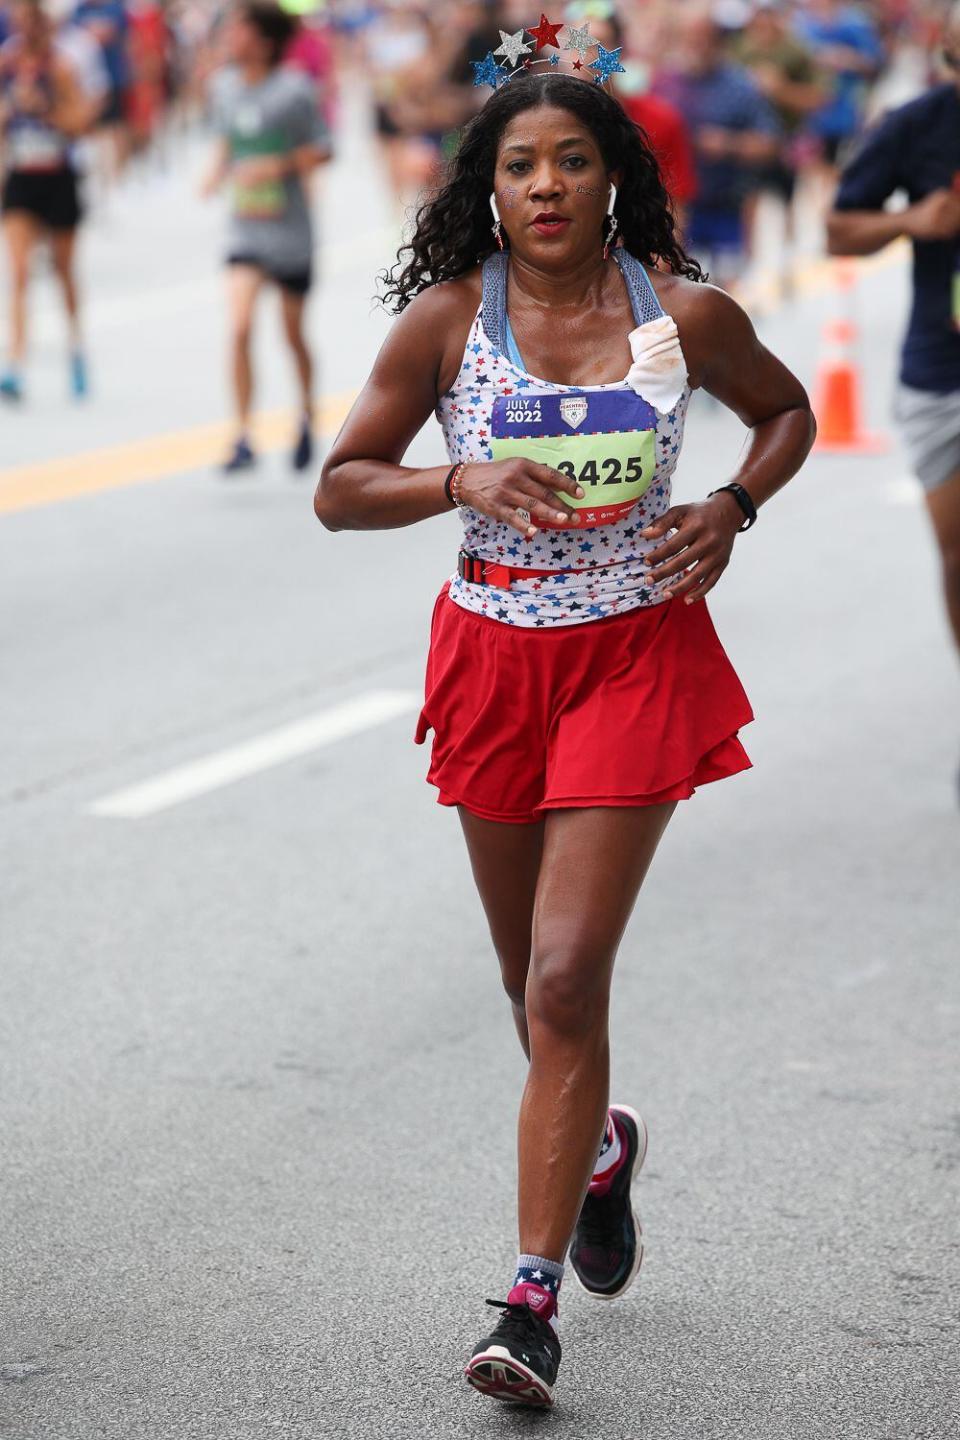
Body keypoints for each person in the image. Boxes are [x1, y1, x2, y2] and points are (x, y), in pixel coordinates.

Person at [315, 64, 814, 1407]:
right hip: (492, 662)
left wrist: (733, 506)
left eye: (573, 161)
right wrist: (457, 476)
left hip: (636, 658)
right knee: (526, 987)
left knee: (563, 975)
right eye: (522, 164)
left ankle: (527, 1307)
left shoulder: (678, 319)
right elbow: (339, 489)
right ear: (490, 187)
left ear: (614, 181)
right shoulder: (444, 323)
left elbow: (786, 411)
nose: (547, 185)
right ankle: (596, 1153)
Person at [827, 5, 960, 778]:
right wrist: (919, 218)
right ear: (946, 47)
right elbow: (839, 228)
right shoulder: (917, 125)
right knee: (956, 557)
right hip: (945, 371)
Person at [202, 0, 331, 474]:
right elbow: (225, 139)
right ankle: (241, 434)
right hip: (245, 228)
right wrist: (216, 172)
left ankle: (305, 415)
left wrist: (275, 166)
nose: (228, 37)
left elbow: (323, 148)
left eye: (237, 30)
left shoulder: (294, 90)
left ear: (262, 40)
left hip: (291, 232)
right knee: (238, 326)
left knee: (292, 334)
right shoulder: (224, 88)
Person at [0, 0, 98, 401]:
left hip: (57, 176)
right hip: (22, 176)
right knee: (20, 272)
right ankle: (17, 363)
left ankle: (76, 349)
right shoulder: (6, 64)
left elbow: (81, 123)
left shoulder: (61, 67)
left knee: (63, 271)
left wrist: (47, 108)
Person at [658, 8, 779, 288]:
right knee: (680, 291)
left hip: (726, 207)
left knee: (725, 294)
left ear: (718, 42)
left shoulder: (740, 87)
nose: (696, 46)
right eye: (690, 39)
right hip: (676, 210)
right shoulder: (663, 84)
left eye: (704, 39)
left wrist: (728, 144)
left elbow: (770, 143)